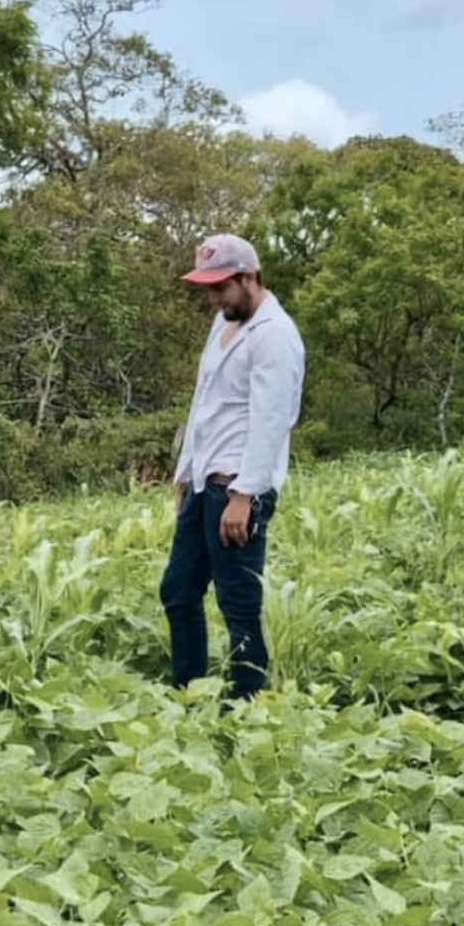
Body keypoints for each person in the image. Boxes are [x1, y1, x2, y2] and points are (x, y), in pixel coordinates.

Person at [160, 233, 305, 701]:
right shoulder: (224, 325)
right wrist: (185, 473)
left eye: (220, 286)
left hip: (238, 489)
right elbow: (204, 404)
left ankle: (247, 704)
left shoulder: (275, 336)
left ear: (249, 277)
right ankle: (187, 690)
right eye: (207, 288)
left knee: (238, 603)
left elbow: (271, 421)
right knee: (178, 591)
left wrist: (245, 495)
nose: (213, 297)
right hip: (204, 481)